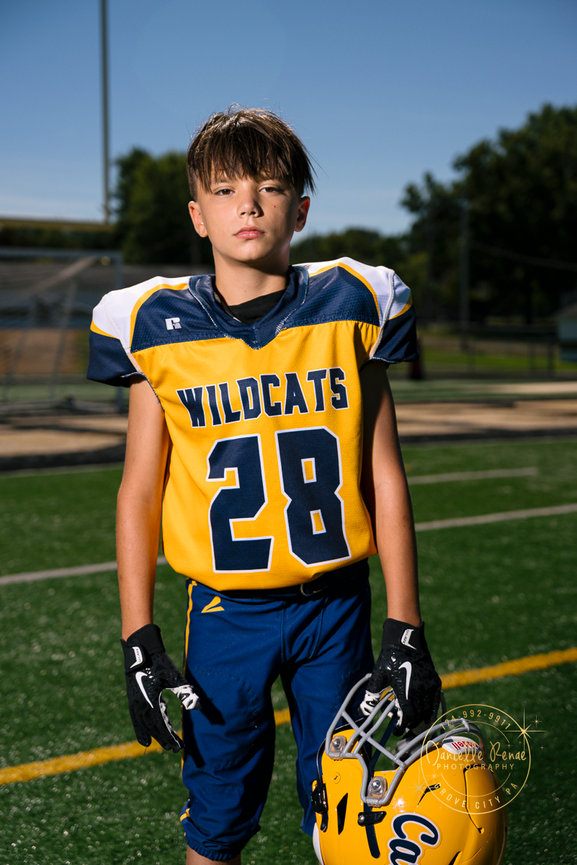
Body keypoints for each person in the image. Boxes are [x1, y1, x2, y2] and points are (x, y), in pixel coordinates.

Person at [87, 107, 441, 864]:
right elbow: (139, 491)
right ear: (197, 215)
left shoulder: (353, 306)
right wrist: (138, 637)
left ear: (300, 210)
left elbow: (384, 472)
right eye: (224, 190)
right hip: (226, 613)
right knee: (216, 817)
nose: (247, 204)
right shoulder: (151, 325)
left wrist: (406, 625)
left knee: (354, 809)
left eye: (269, 187)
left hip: (334, 606)